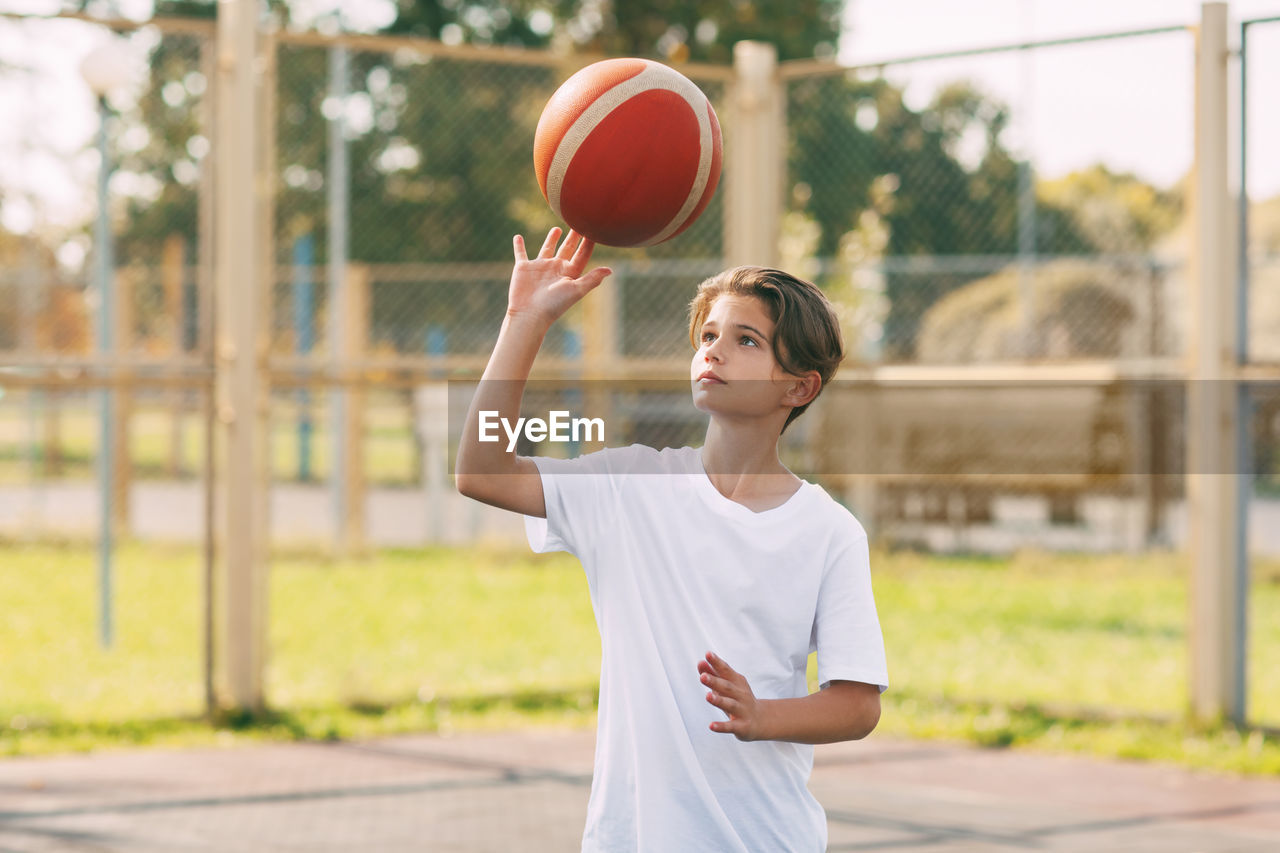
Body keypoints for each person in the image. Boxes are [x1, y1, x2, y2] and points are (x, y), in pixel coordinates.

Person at [455, 227, 887, 852]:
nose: (714, 351)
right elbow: (481, 470)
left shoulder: (829, 532)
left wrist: (764, 716)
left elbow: (857, 704)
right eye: (708, 336)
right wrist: (524, 321)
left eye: (746, 340)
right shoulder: (629, 485)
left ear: (799, 387)